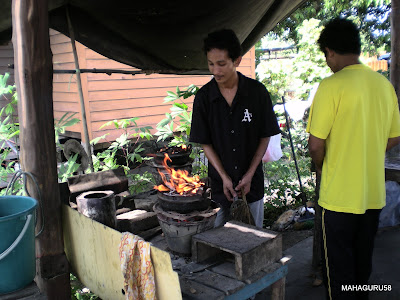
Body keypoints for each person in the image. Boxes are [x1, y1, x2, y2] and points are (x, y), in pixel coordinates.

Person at [307, 18, 400, 300]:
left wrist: (323, 167)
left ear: (330, 51)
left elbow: (315, 145)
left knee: (338, 272)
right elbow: (395, 136)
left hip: (338, 199)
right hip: (372, 196)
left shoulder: (331, 86)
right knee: (362, 266)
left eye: (326, 56)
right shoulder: (383, 85)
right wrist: (367, 150)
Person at [189, 29, 280, 228]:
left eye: (221, 64)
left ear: (237, 60)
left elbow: (265, 136)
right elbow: (205, 142)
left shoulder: (257, 93)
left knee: (253, 239)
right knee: (219, 240)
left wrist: (249, 174)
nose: (216, 71)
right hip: (221, 187)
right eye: (211, 64)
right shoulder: (204, 98)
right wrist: (224, 176)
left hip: (252, 185)